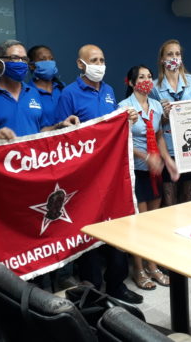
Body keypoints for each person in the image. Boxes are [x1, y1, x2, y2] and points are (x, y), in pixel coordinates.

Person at [55, 44, 142, 304]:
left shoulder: (108, 91)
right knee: (88, 232)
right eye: (94, 60)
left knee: (117, 227)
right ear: (80, 64)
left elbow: (112, 127)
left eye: (102, 60)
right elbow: (60, 136)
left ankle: (116, 284)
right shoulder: (69, 94)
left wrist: (127, 119)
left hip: (111, 173)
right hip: (84, 177)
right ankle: (92, 290)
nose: (99, 65)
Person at [119, 65, 177, 291]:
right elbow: (122, 140)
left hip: (155, 170)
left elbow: (159, 135)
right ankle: (138, 269)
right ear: (132, 83)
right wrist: (145, 156)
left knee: (153, 222)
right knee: (139, 223)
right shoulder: (124, 107)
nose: (146, 80)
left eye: (149, 76)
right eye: (141, 77)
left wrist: (167, 160)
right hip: (136, 170)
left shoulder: (156, 106)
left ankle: (152, 266)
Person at [0, 39, 77, 141]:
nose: (21, 63)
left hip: (31, 157)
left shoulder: (33, 93)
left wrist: (59, 126)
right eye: (15, 58)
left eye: (24, 59)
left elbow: (40, 131)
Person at [151, 39, 191, 206]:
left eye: (177, 54)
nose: (174, 57)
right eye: (170, 54)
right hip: (168, 147)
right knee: (170, 201)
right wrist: (164, 115)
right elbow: (152, 123)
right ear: (162, 59)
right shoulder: (154, 87)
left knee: (188, 198)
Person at [27, 45, 65, 127]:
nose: (49, 63)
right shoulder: (27, 92)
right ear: (32, 66)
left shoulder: (62, 87)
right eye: (42, 59)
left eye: (51, 59)